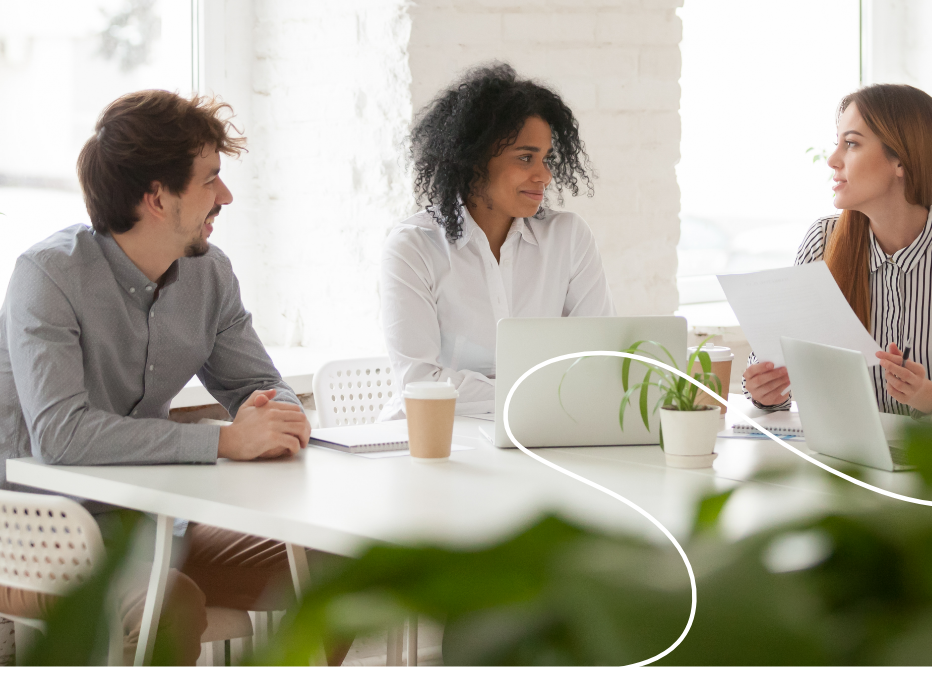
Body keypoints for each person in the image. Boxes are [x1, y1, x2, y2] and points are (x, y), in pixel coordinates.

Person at [0, 90, 345, 665]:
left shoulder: (210, 275)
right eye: (210, 179)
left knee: (338, 567)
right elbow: (61, 435)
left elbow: (261, 385)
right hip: (37, 536)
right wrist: (226, 439)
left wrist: (277, 416)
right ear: (157, 197)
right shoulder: (48, 276)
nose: (226, 196)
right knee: (171, 604)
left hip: (155, 528)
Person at [744, 84, 932, 418]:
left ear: (900, 160)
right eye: (837, 142)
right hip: (838, 460)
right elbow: (780, 373)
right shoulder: (822, 240)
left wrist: (927, 395)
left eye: (851, 143)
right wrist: (765, 390)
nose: (832, 159)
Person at [379, 63, 615, 419]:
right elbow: (420, 383)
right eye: (525, 158)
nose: (545, 175)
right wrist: (544, 391)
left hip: (538, 431)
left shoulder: (567, 238)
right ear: (473, 160)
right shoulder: (413, 247)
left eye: (546, 158)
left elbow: (600, 359)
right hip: (432, 441)